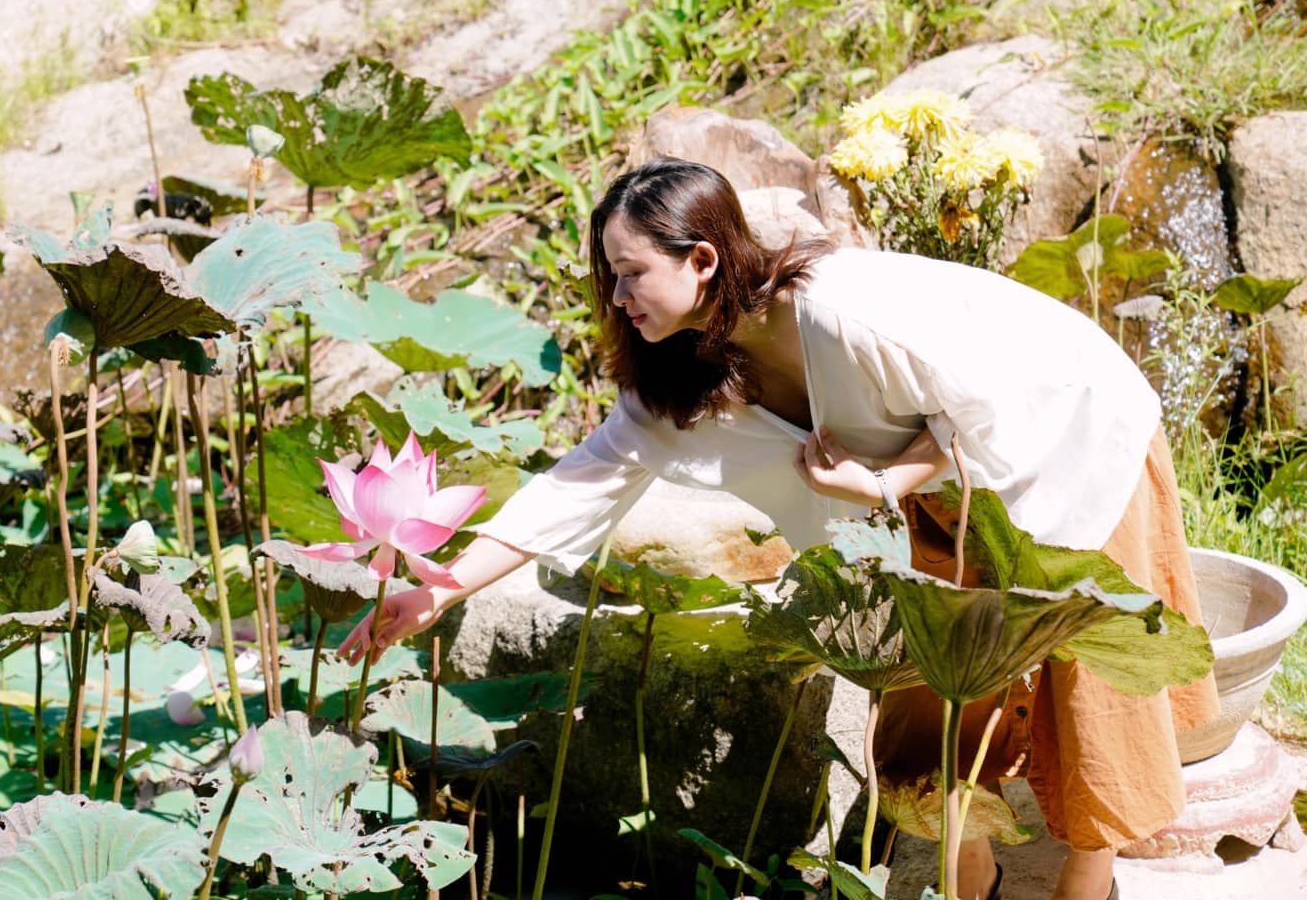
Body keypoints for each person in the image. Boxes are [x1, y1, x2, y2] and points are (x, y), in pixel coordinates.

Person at [338, 157, 1218, 900]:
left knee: (1090, 687)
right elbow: (578, 486)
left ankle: (1088, 883)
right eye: (609, 274)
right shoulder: (678, 377)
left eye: (632, 272)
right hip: (944, 490)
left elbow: (983, 404)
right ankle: (972, 880)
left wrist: (886, 480)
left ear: (704, 259)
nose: (617, 295)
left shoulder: (842, 311)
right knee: (931, 693)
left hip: (1069, 429)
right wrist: (435, 591)